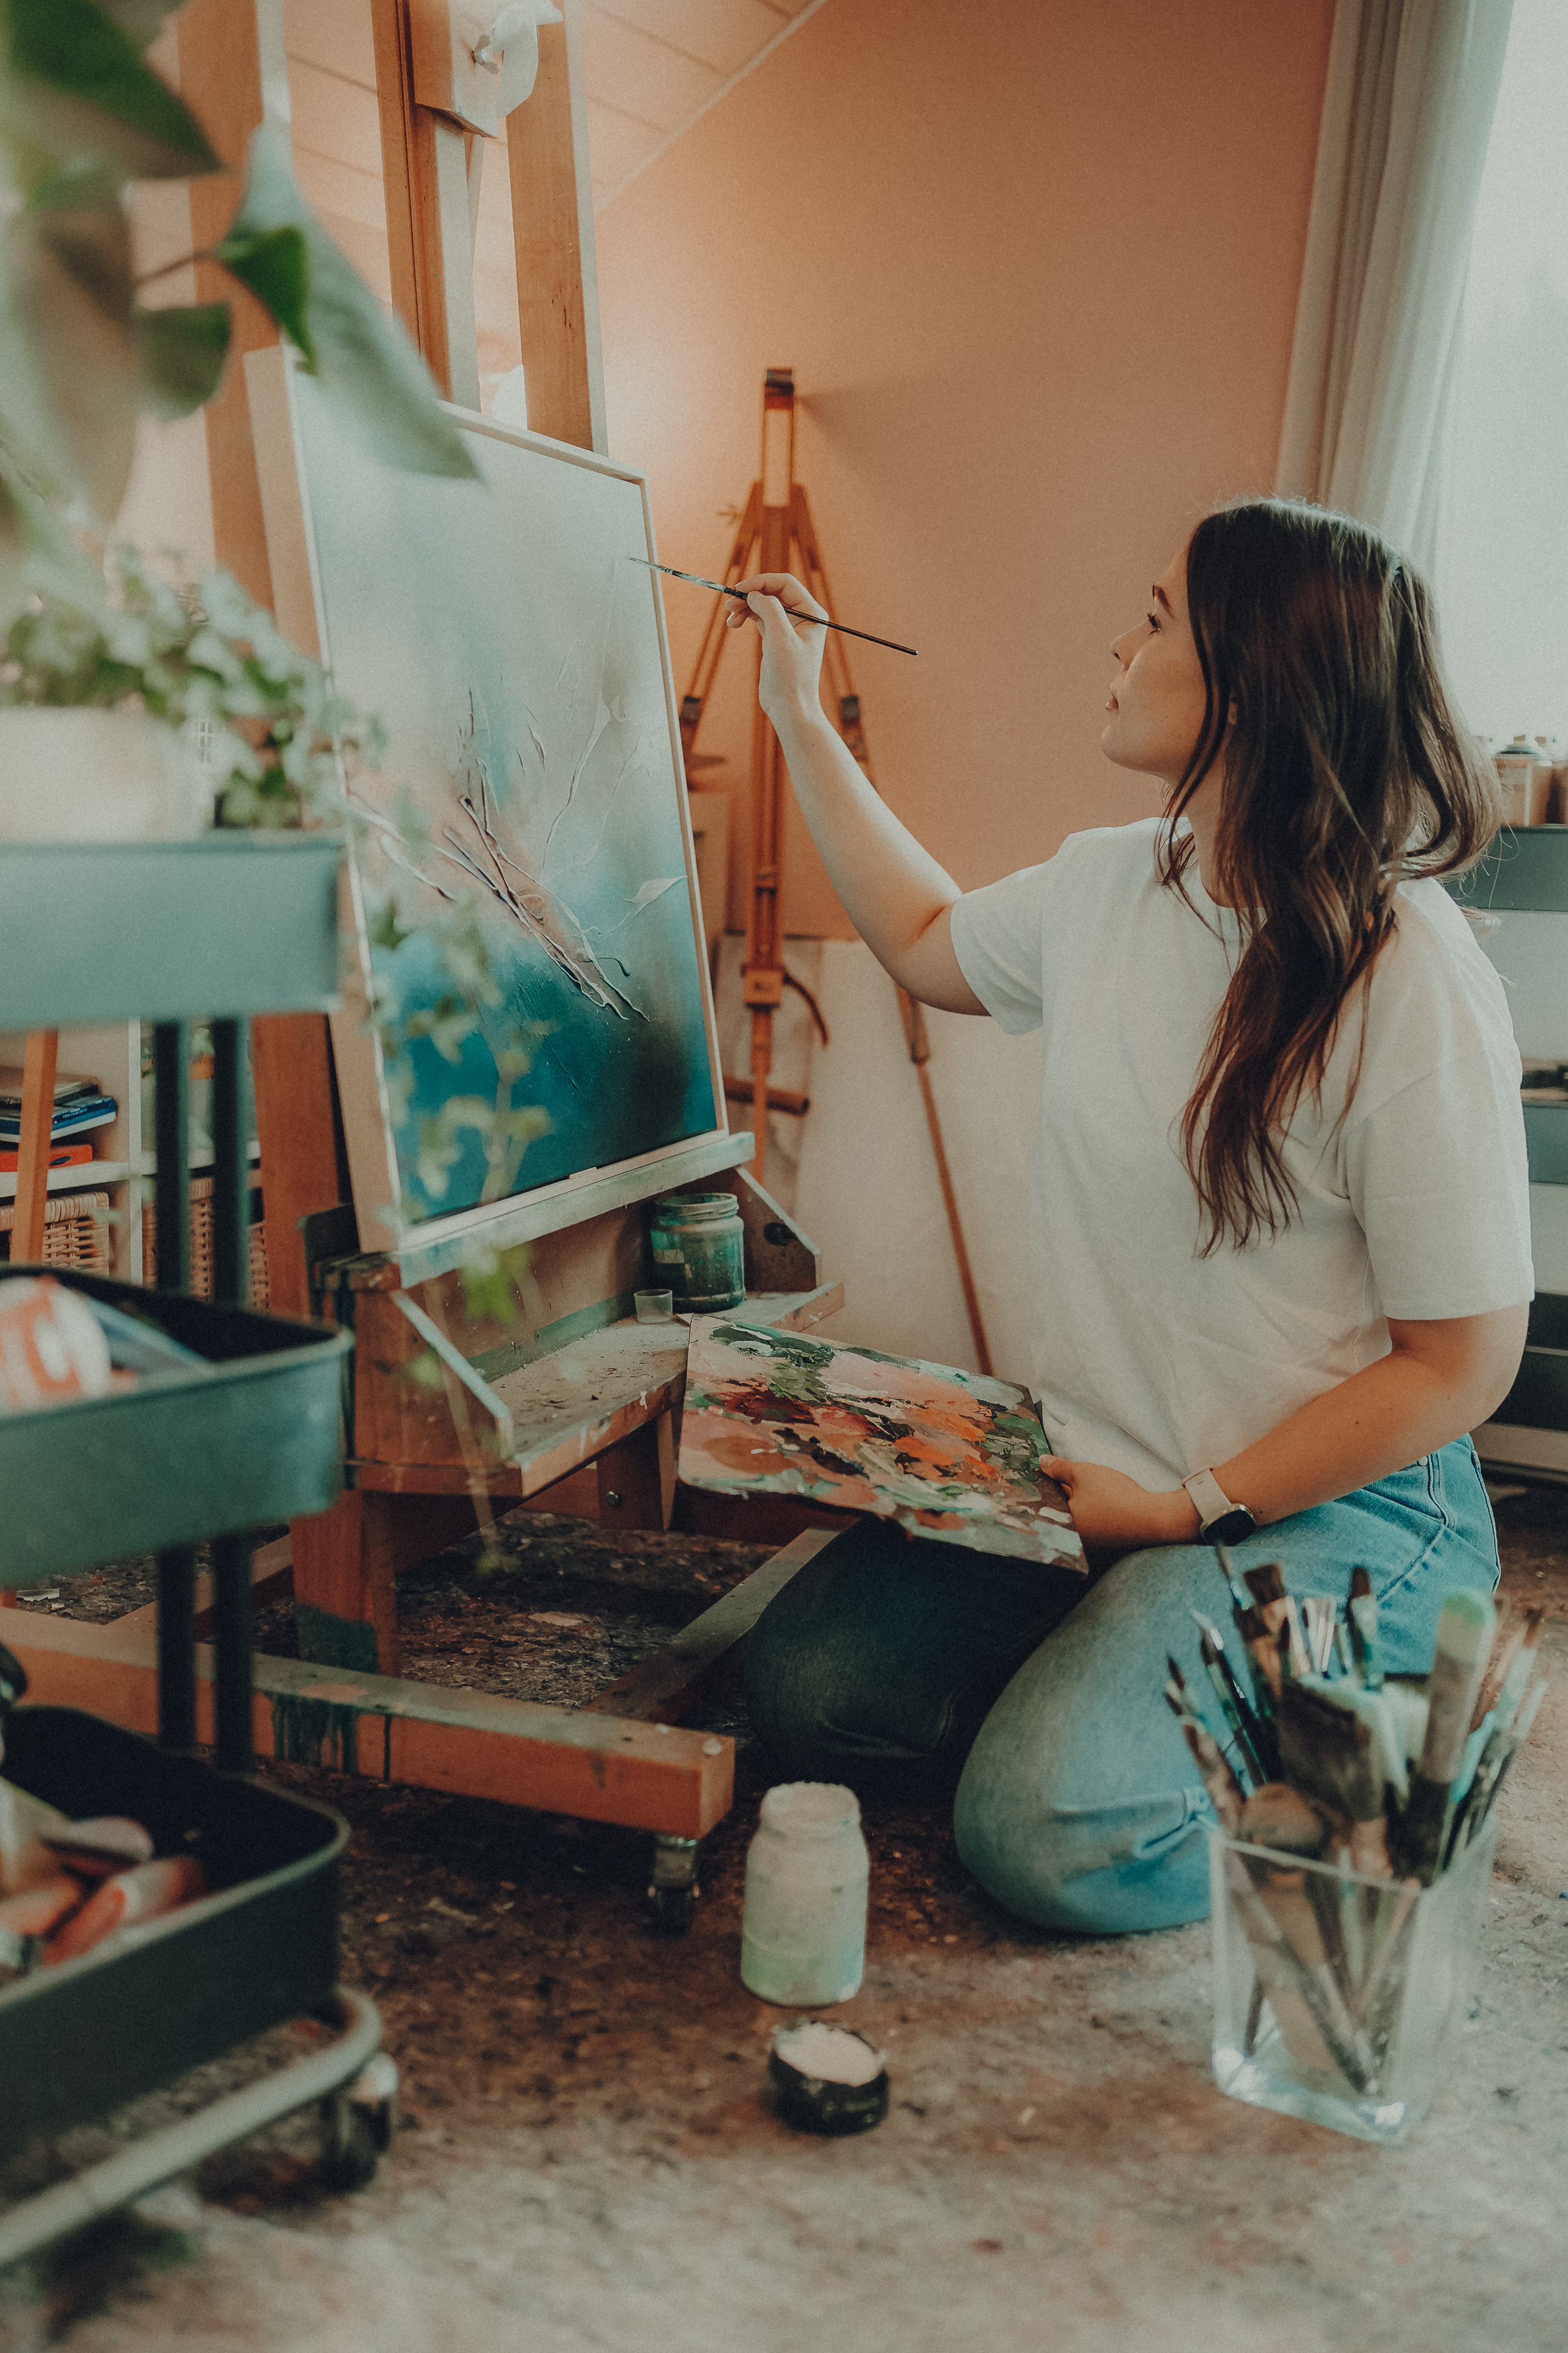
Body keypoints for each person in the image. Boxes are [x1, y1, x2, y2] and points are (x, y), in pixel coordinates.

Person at [724, 497, 1532, 1935]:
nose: (1119, 640)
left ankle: (1380, 1735)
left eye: (1154, 617)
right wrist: (797, 712)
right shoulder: (1114, 880)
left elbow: (1460, 1362)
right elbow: (922, 941)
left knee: (1046, 1830)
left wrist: (1184, 1510)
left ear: (1252, 671)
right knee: (798, 1699)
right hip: (1104, 1480)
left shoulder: (1407, 972)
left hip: (1335, 1507)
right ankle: (1143, 1681)